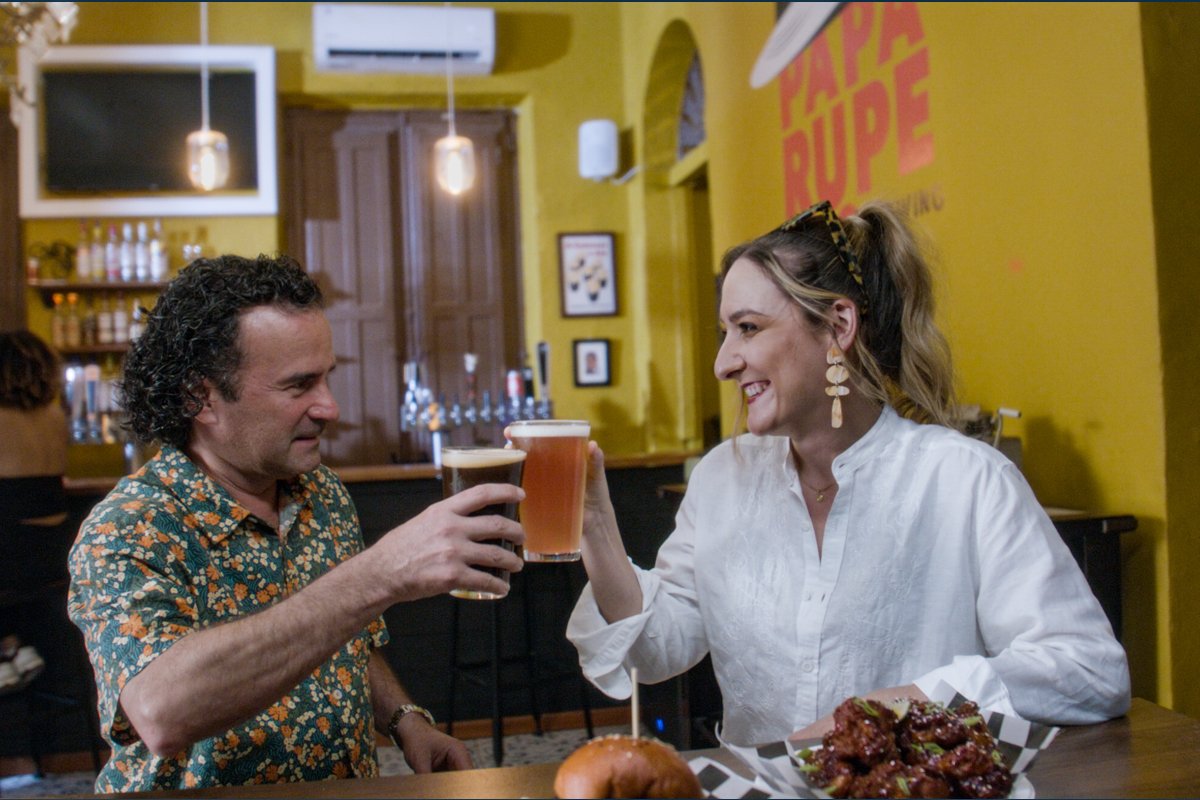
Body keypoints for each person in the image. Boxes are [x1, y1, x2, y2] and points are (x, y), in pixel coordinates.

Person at [565, 200, 1131, 747]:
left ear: (838, 326)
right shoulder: (720, 480)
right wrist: (594, 526)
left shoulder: (965, 480)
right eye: (725, 332)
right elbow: (660, 645)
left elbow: (1087, 669)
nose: (724, 362)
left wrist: (900, 706)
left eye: (748, 328)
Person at [67, 255, 525, 792]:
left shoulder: (322, 492)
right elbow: (162, 710)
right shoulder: (131, 525)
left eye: (327, 378)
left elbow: (346, 638)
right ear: (201, 396)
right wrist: (378, 575)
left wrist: (405, 721)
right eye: (298, 385)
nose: (329, 407)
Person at [0, 329, 70, 690]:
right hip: (51, 558)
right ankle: (13, 646)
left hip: (9, 560)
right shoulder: (55, 416)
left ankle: (8, 648)